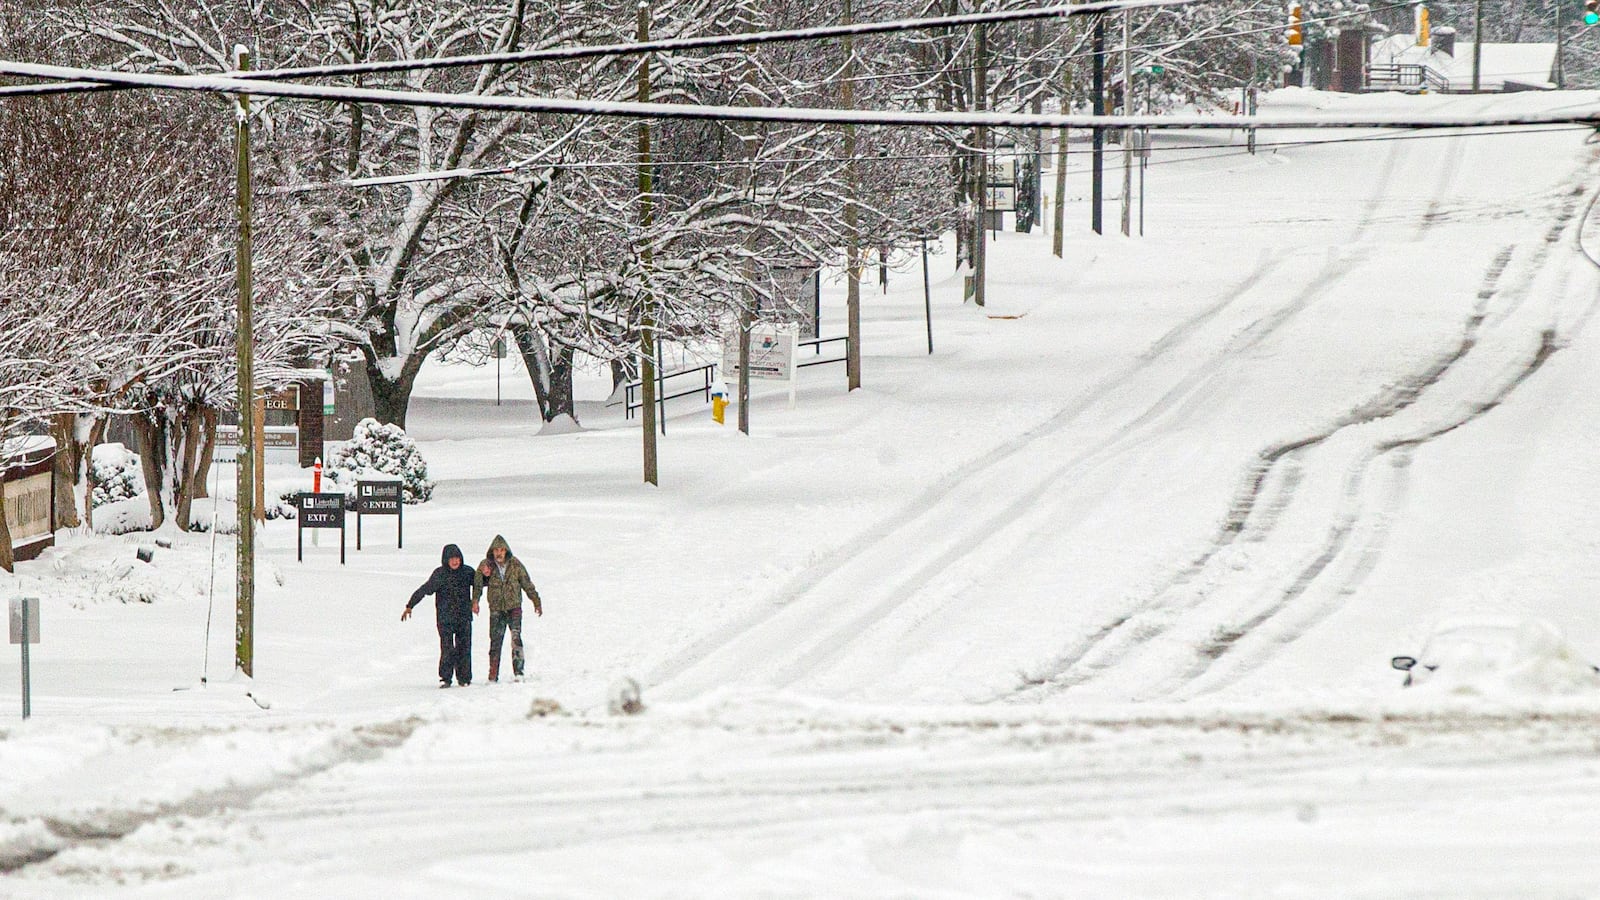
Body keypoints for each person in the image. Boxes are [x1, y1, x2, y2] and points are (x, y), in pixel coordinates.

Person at [403, 544, 478, 688]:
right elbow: (424, 589)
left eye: (457, 558)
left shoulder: (467, 572)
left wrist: (488, 572)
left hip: (464, 617)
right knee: (447, 649)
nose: (455, 561)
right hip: (445, 619)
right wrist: (410, 605)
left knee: (464, 648)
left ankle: (464, 679)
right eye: (452, 559)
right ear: (446, 560)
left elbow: (482, 582)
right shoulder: (440, 574)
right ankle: (446, 678)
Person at [474, 534, 542, 683]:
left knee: (516, 639)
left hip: (514, 608)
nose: (499, 553)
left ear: (506, 551)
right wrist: (475, 601)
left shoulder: (516, 564)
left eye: (502, 550)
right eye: (496, 550)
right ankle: (493, 675)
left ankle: (518, 672)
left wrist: (536, 600)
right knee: (495, 642)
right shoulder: (485, 565)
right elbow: (478, 584)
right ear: (492, 551)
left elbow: (526, 583)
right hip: (496, 609)